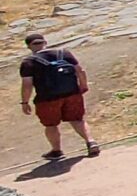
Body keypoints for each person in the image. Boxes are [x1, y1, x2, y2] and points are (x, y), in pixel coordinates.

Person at [18, 32, 98, 161]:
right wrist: (83, 85)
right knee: (77, 119)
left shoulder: (28, 62)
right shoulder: (64, 53)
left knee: (51, 125)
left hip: (47, 98)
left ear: (29, 47)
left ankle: (56, 151)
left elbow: (27, 84)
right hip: (72, 93)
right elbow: (80, 70)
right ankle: (91, 142)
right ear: (45, 42)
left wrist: (24, 102)